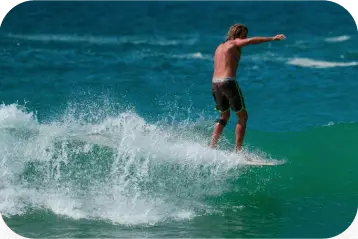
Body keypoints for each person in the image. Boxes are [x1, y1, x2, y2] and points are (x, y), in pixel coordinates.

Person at [209, 24, 286, 152]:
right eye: (244, 35)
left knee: (224, 116)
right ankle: (238, 152)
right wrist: (272, 39)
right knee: (242, 116)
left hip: (215, 84)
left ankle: (211, 147)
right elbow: (250, 41)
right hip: (228, 82)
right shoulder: (235, 43)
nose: (245, 38)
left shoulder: (219, 47)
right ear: (238, 35)